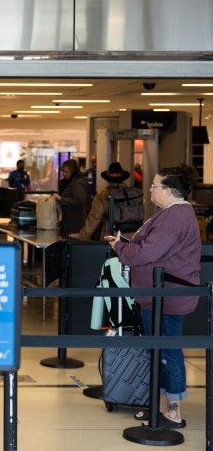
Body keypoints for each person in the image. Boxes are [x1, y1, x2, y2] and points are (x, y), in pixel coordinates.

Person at [107, 164, 201, 429]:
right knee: (157, 350)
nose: (149, 189)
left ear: (168, 191)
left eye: (154, 186)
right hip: (156, 296)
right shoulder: (171, 213)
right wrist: (125, 246)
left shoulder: (175, 217)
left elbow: (148, 253)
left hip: (167, 298)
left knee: (168, 351)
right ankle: (157, 405)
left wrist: (120, 248)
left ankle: (172, 411)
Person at [73, 161, 131, 240]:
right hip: (131, 236)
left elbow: (94, 219)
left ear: (108, 179)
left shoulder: (103, 194)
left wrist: (82, 236)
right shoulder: (133, 193)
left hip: (111, 235)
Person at [53, 158, 90, 234]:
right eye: (63, 171)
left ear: (73, 172)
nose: (64, 174)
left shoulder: (77, 184)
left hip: (74, 223)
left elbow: (80, 202)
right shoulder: (67, 183)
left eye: (66, 172)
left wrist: (61, 199)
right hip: (68, 221)